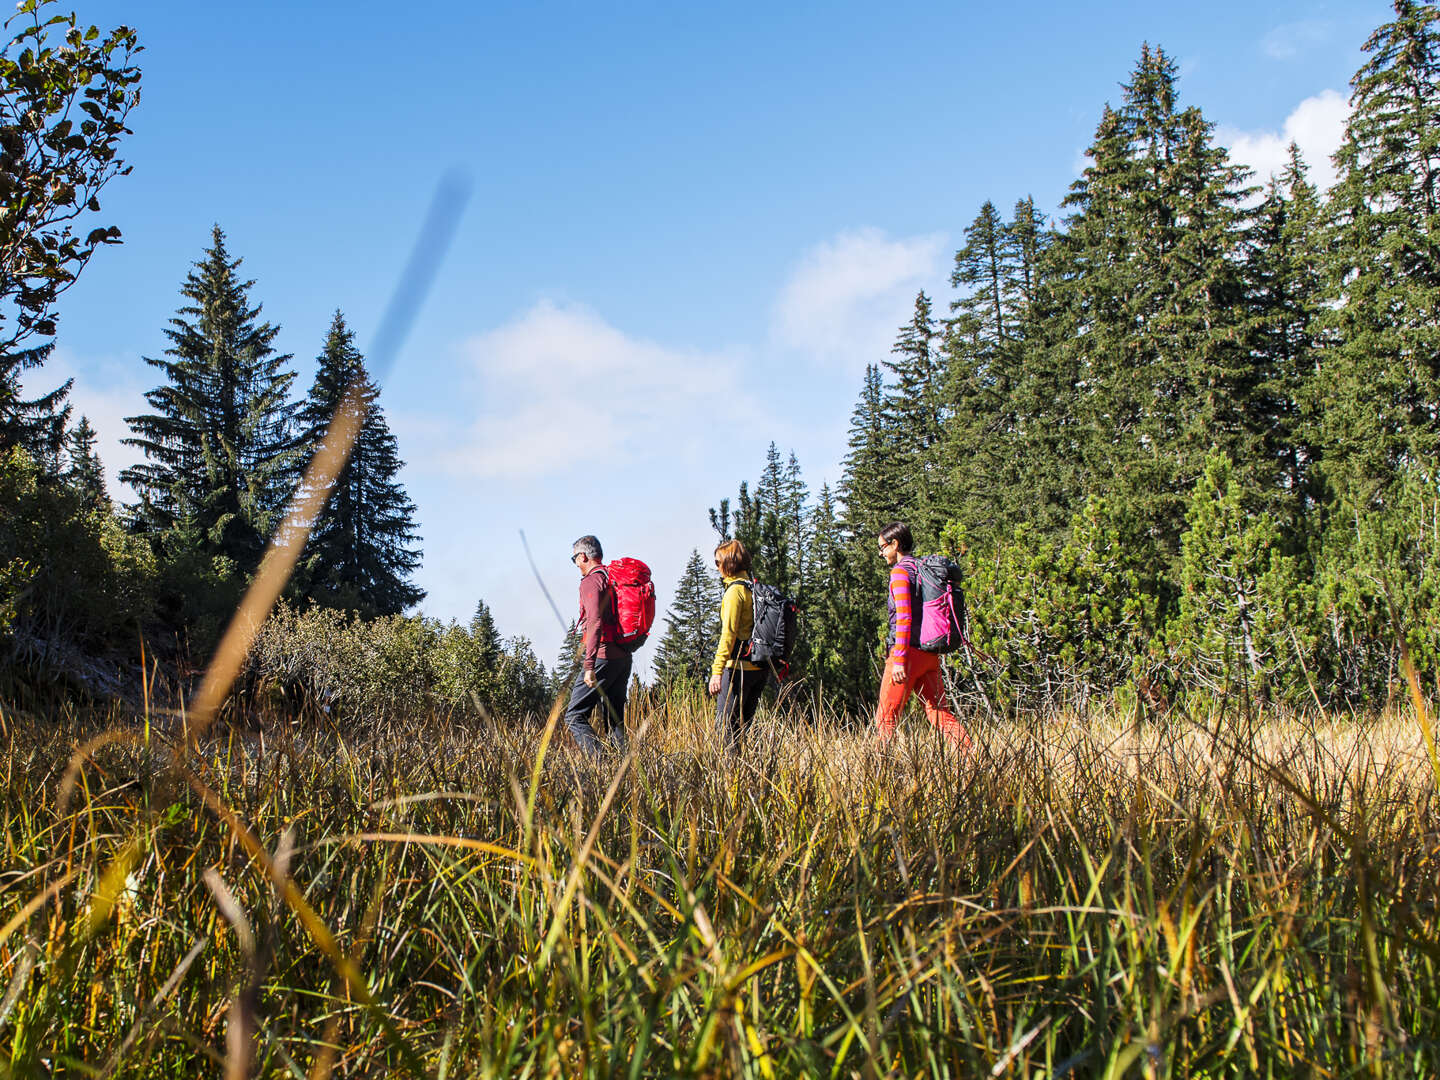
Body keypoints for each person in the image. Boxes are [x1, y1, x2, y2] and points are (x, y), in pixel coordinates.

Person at [875, 522, 970, 750]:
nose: (881, 553)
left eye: (883, 547)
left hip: (906, 655)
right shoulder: (923, 568)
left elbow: (904, 617)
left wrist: (898, 660)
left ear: (895, 544)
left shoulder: (899, 573)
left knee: (886, 718)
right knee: (939, 713)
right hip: (930, 654)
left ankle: (883, 771)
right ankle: (971, 756)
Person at [562, 535, 630, 757]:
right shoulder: (612, 576)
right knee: (615, 719)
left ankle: (601, 764)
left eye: (575, 559)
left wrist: (589, 664)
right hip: (623, 656)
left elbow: (594, 622)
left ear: (583, 556)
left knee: (574, 715)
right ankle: (624, 771)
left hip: (603, 656)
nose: (576, 565)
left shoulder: (591, 581)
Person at [708, 539, 767, 748]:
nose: (717, 568)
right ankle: (744, 775)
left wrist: (717, 671)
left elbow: (728, 635)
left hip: (737, 670)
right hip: (758, 669)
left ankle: (729, 778)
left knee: (725, 732)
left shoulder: (734, 592)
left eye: (718, 563)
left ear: (728, 563)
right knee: (743, 731)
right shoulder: (753, 588)